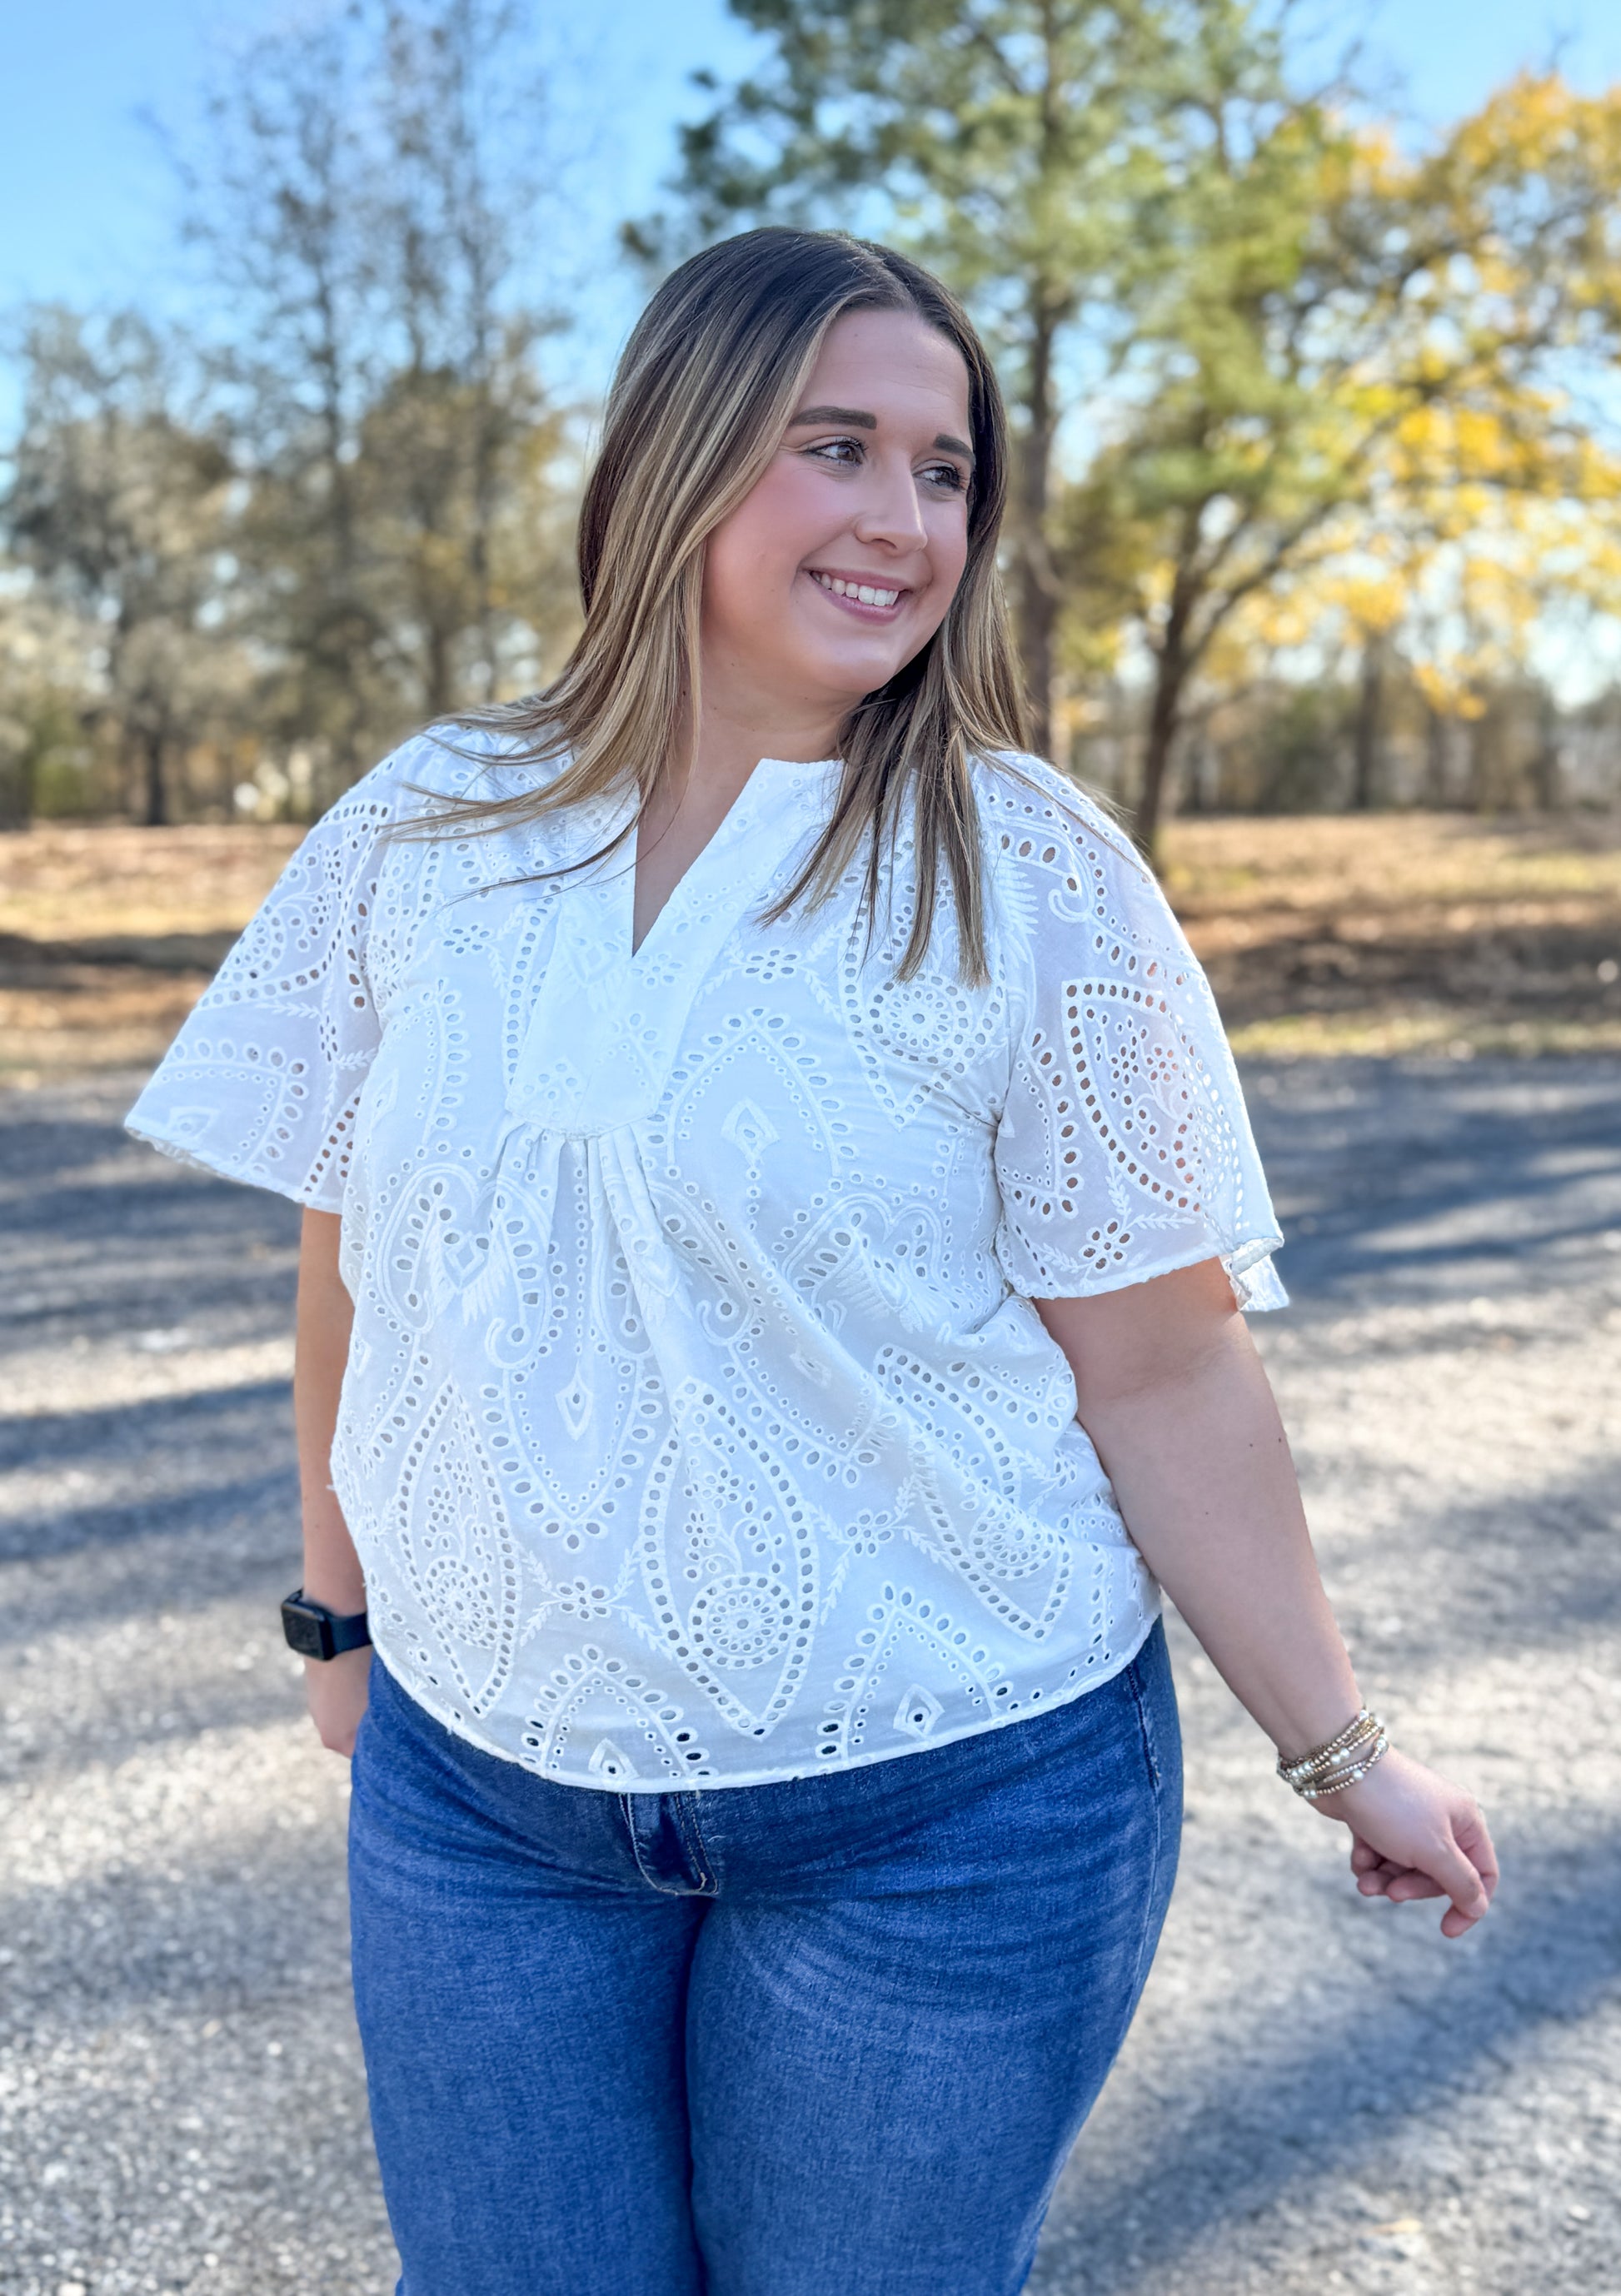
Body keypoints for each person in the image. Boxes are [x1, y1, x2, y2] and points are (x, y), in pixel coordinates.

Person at [126, 227, 1497, 2296]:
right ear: (670, 459)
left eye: (945, 471)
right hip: (482, 1800)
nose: (903, 520)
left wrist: (1338, 1744)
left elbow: (1164, 1365)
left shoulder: (1029, 872)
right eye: (834, 445)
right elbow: (361, 1250)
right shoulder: (429, 824)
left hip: (950, 1811)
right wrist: (341, 1617)